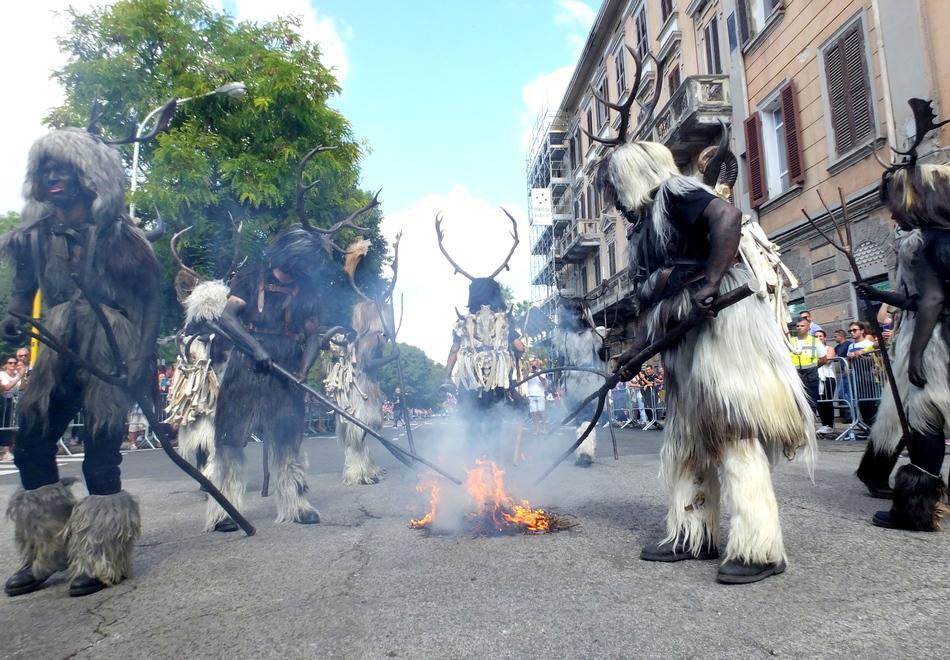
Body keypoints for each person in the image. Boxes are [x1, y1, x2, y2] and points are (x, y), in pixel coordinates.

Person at [592, 108, 815, 584]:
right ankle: (693, 534)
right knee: (687, 439)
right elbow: (654, 300)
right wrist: (635, 351)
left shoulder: (676, 191)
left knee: (730, 430)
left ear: (629, 177)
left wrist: (711, 281)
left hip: (720, 327)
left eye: (611, 191)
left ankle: (759, 547)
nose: (612, 204)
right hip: (684, 334)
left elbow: (727, 216)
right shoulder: (645, 225)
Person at [1, 125, 161, 597]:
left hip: (111, 350)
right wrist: (13, 316)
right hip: (55, 349)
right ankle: (46, 552)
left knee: (100, 455)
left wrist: (141, 359)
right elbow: (23, 288)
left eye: (64, 168)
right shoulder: (32, 234)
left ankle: (102, 556)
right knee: (31, 444)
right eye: (46, 168)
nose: (54, 176)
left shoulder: (118, 233)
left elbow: (150, 301)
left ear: (88, 176)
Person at [854, 103, 949, 527]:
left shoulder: (922, 242)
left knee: (926, 416)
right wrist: (878, 292)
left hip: (938, 343)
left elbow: (930, 301)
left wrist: (915, 356)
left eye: (893, 204)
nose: (892, 214)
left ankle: (917, 510)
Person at [553, 297, 606, 465]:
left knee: (586, 416)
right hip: (571, 383)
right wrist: (555, 381)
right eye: (572, 312)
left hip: (590, 381)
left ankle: (585, 452)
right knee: (578, 417)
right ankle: (584, 448)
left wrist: (605, 349)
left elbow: (603, 358)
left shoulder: (595, 334)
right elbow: (560, 360)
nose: (575, 316)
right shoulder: (563, 337)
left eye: (578, 312)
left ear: (584, 314)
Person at [789, 318, 823, 414]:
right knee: (796, 405)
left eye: (802, 326)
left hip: (811, 376)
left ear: (808, 328)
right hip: (795, 376)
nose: (799, 328)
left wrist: (813, 367)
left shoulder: (815, 341)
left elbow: (823, 359)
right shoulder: (790, 341)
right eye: (798, 326)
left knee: (811, 404)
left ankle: (810, 426)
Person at [0, 356, 24, 462]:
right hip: (5, 402)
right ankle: (5, 451)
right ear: (5, 365)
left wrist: (22, 377)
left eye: (15, 363)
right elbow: (6, 387)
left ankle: (12, 448)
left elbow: (22, 387)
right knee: (5, 427)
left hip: (14, 402)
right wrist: (19, 376)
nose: (13, 365)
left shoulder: (16, 375)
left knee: (13, 427)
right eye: (10, 363)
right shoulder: (2, 375)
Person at [814, 330, 837, 435]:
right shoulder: (812, 350)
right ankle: (824, 424)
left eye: (821, 336)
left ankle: (829, 425)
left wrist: (816, 360)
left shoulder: (829, 348)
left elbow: (827, 360)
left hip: (827, 377)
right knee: (819, 402)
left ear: (825, 338)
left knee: (827, 401)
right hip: (817, 377)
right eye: (816, 336)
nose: (818, 338)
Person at [525, 358, 547, 435]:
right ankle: (537, 429)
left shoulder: (542, 372)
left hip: (540, 395)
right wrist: (527, 395)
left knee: (541, 413)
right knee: (534, 414)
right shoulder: (528, 374)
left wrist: (537, 373)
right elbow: (526, 383)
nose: (534, 366)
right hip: (531, 395)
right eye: (532, 365)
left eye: (535, 365)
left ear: (538, 365)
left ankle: (543, 428)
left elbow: (544, 383)